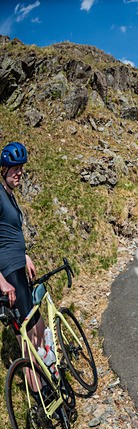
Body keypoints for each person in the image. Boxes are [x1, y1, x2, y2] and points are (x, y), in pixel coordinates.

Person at [0, 142, 45, 361]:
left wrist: (25, 256)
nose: (19, 172)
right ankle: (37, 393)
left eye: (21, 168)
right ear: (4, 169)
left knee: (39, 327)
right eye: (15, 168)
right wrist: (1, 282)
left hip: (18, 268)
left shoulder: (10, 197)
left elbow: (8, 234)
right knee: (27, 341)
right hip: (8, 276)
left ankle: (50, 380)